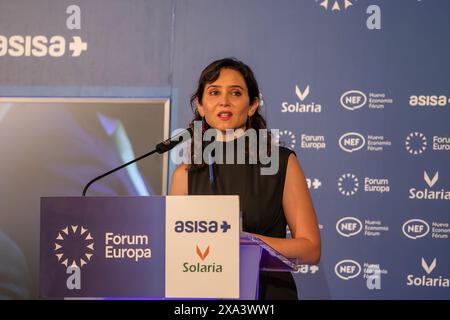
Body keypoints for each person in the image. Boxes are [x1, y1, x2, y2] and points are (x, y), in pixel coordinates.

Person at [170, 57, 321, 300]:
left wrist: (245, 242)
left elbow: (310, 249)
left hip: (269, 294)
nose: (224, 101)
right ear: (200, 106)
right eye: (214, 92)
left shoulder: (282, 163)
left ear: (252, 105)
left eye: (236, 93)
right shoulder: (185, 175)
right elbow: (178, 251)